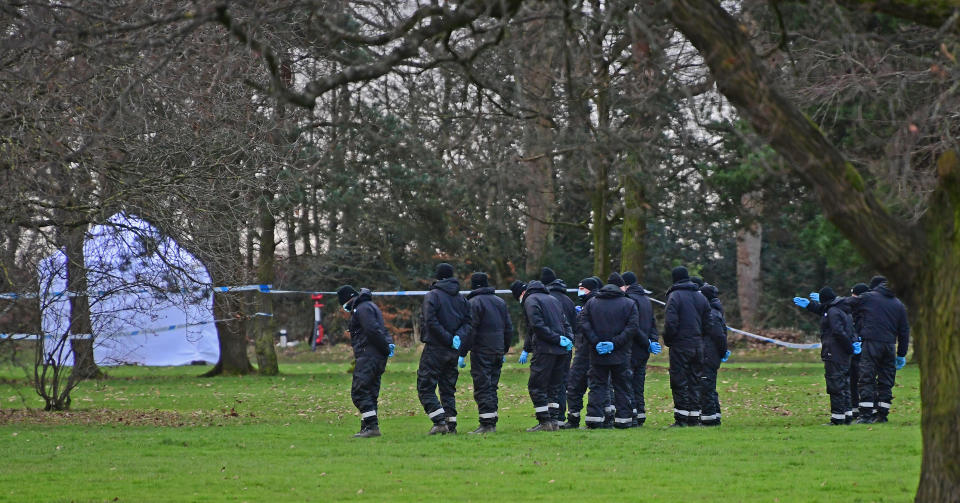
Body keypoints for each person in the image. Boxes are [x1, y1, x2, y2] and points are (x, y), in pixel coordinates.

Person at [511, 279, 574, 432]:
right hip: (561, 350)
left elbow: (537, 326)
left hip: (545, 349)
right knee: (554, 386)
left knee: (536, 386)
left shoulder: (530, 300)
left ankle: (544, 421)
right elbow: (565, 323)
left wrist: (556, 338)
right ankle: (553, 420)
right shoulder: (553, 299)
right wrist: (568, 339)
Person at [579, 279, 641, 429]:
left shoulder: (592, 303)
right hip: (621, 353)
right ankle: (624, 420)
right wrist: (615, 343)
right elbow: (632, 328)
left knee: (597, 386)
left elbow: (583, 323)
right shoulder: (629, 304)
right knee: (622, 386)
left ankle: (594, 419)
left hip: (597, 353)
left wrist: (596, 342)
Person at [848, 276, 910, 423]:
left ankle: (866, 415)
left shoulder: (869, 297)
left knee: (866, 378)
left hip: (871, 344)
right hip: (889, 346)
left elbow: (848, 303)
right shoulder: (898, 304)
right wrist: (901, 353)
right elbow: (904, 332)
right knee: (886, 381)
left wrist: (828, 302)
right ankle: (882, 414)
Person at [418, 263, 471, 435]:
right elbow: (468, 322)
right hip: (453, 350)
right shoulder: (462, 298)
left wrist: (448, 339)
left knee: (425, 386)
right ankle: (451, 425)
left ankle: (439, 421)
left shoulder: (432, 296)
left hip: (435, 348)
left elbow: (430, 321)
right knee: (448, 388)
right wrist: (457, 337)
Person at [337, 285, 395, 438]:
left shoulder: (361, 309)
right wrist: (387, 345)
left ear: (347, 300)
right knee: (370, 392)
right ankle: (367, 426)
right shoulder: (371, 306)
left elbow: (372, 331)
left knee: (359, 392)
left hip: (368, 355)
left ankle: (371, 426)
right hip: (377, 356)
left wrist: (385, 348)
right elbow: (382, 330)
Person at [460, 272, 513, 434]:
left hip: (481, 351)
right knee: (492, 387)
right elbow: (509, 328)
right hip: (497, 350)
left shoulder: (473, 303)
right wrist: (504, 349)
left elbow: (471, 330)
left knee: (483, 387)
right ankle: (492, 420)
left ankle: (487, 424)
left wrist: (462, 352)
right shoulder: (500, 302)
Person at [663, 266, 712, 427]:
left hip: (680, 344)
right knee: (695, 380)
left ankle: (681, 418)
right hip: (698, 345)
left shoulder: (674, 296)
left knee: (679, 380)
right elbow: (708, 322)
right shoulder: (701, 297)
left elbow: (671, 323)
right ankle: (694, 417)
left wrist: (668, 340)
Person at [560, 276, 602, 429]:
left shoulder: (593, 304)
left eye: (582, 288)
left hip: (587, 351)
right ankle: (576, 418)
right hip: (584, 350)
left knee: (588, 385)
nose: (580, 291)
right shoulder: (587, 304)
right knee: (576, 385)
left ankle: (584, 419)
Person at [621, 271, 661, 427]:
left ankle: (633, 414)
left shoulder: (629, 300)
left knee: (627, 382)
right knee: (639, 383)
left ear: (626, 285)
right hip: (644, 349)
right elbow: (652, 323)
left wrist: (647, 342)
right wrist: (653, 341)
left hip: (633, 347)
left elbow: (633, 326)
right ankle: (641, 413)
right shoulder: (646, 299)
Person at [541, 267, 577, 424]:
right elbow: (575, 324)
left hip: (550, 345)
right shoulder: (567, 300)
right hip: (566, 346)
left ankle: (551, 416)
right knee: (562, 381)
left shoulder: (546, 298)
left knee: (549, 382)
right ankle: (560, 417)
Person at [699, 284, 729, 426]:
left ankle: (709, 418)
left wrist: (723, 351)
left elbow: (719, 336)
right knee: (709, 386)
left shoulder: (711, 314)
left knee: (706, 386)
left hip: (708, 354)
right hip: (711, 354)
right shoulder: (715, 311)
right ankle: (714, 415)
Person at [848, 282, 870, 419]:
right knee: (854, 380)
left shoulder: (864, 312)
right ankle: (855, 408)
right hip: (857, 350)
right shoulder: (854, 310)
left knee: (862, 380)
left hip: (864, 350)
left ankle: (864, 408)